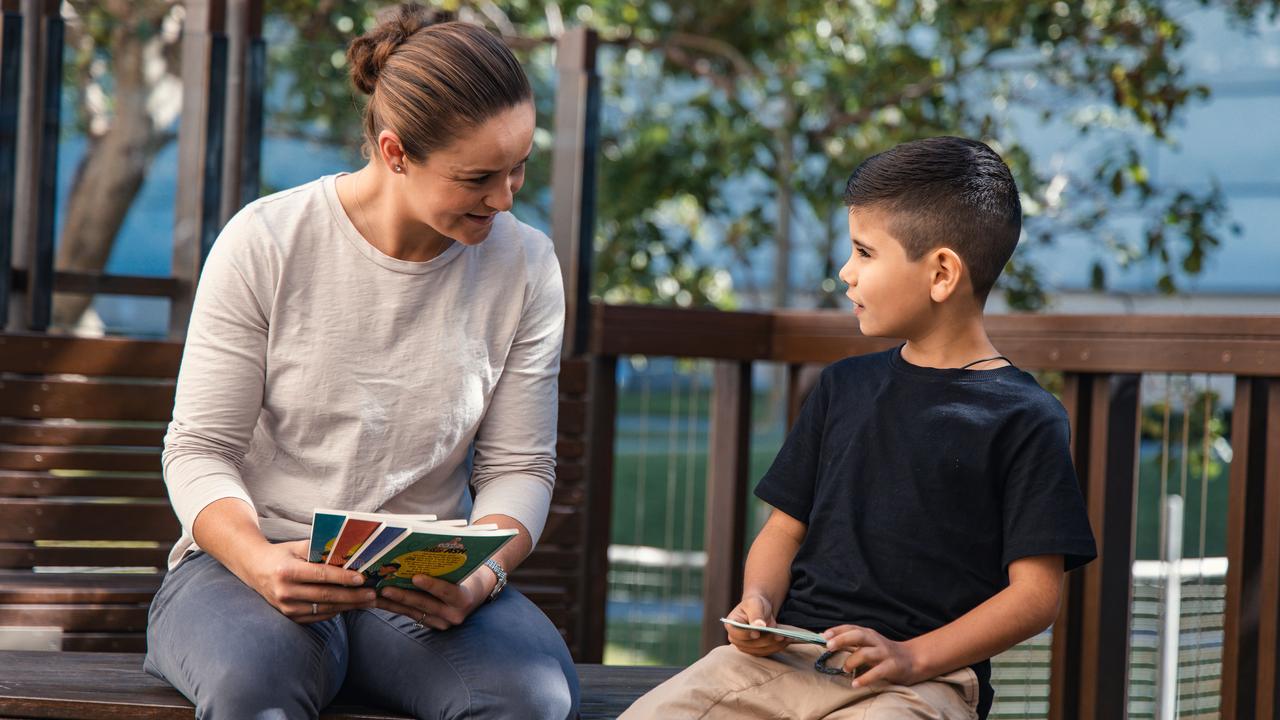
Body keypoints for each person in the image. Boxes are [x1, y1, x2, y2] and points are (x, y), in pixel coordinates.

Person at [143, 4, 578, 718]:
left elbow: (518, 468)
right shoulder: (267, 242)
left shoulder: (526, 266)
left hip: (423, 582)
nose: (505, 198)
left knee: (531, 698)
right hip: (249, 567)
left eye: (520, 169)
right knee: (256, 687)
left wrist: (485, 574)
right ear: (395, 150)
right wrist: (258, 561)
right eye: (478, 179)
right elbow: (198, 450)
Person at [622, 136, 1097, 719]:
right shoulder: (842, 387)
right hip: (780, 661)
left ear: (942, 273)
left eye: (865, 253)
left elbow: (1035, 597)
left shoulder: (1026, 418)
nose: (846, 273)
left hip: (921, 683)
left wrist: (911, 657)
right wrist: (758, 602)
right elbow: (782, 532)